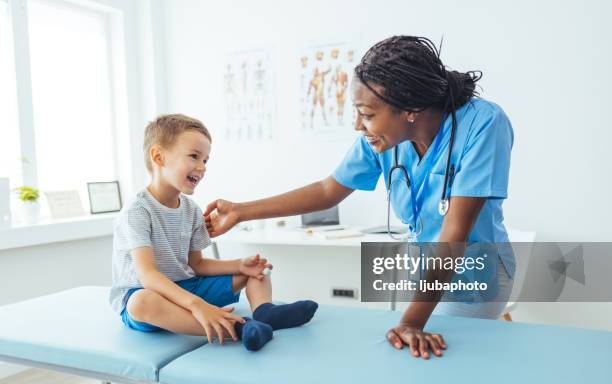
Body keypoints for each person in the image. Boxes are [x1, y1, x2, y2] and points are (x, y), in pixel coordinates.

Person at [204, 36, 516, 359]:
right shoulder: (383, 138)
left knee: (450, 371)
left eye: (366, 114)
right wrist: (241, 211)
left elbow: (454, 236)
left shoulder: (484, 125)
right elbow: (328, 190)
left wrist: (409, 322)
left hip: (474, 278)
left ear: (409, 109)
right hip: (426, 274)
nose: (357, 125)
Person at [109, 114, 318, 351]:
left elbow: (197, 265)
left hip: (186, 286)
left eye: (206, 160)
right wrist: (198, 305)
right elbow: (148, 275)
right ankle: (238, 328)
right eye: (194, 156)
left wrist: (241, 265)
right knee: (141, 303)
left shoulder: (190, 210)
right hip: (150, 294)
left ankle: (264, 312)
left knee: (256, 271)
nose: (202, 167)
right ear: (158, 156)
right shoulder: (137, 210)